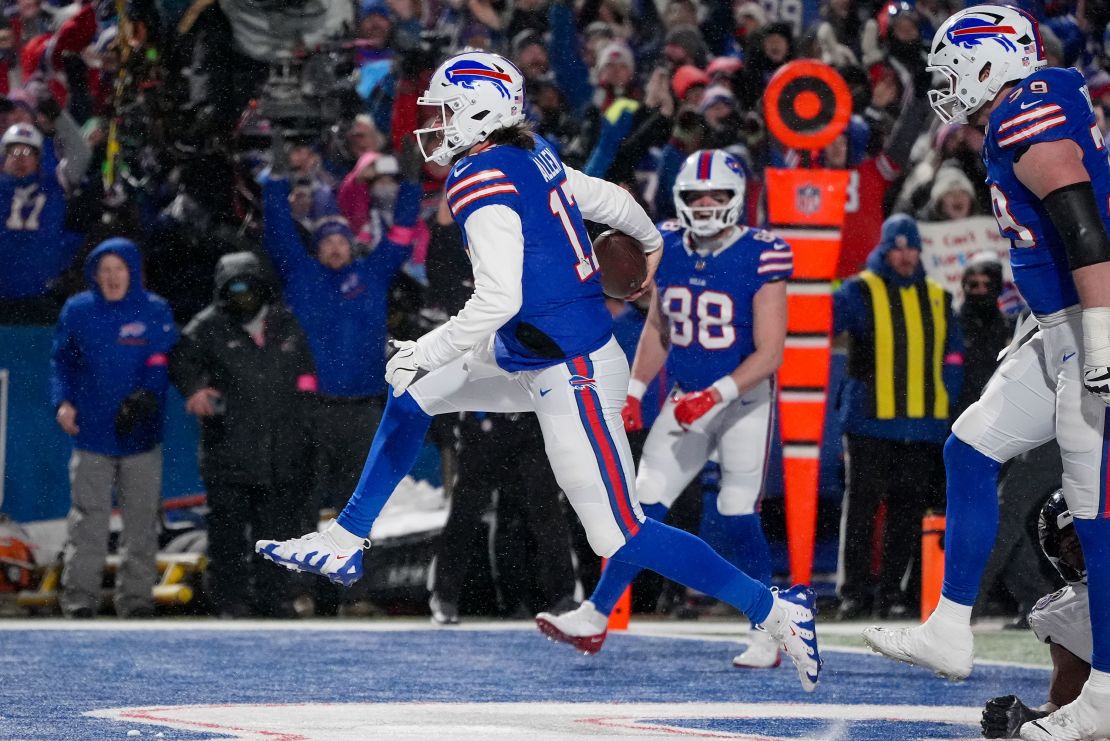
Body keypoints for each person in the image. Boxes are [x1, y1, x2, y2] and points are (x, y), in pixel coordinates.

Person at [255, 50, 821, 691]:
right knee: (413, 395)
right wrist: (654, 249)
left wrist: (430, 344)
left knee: (621, 533)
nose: (435, 125)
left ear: (479, 111)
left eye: (445, 111)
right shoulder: (529, 154)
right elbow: (609, 199)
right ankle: (347, 538)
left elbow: (499, 297)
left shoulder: (481, 177)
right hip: (530, 349)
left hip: (572, 367)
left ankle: (773, 607)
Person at [861, 8, 1110, 739]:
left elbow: (1083, 224)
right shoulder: (1024, 108)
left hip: (1090, 319)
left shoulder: (1026, 108)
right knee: (969, 445)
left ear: (993, 60)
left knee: (1095, 517)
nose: (943, 83)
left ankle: (1105, 692)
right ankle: (949, 626)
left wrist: (1100, 337)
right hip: (1057, 326)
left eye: (950, 66)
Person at [534, 149, 791, 669]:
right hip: (685, 395)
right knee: (641, 504)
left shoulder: (762, 252)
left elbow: (770, 352)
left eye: (716, 194)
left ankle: (771, 627)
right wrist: (633, 389)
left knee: (736, 509)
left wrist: (713, 396)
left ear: (738, 199)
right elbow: (659, 325)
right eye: (696, 195)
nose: (706, 203)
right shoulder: (667, 243)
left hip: (740, 399)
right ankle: (596, 615)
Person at [170, 252, 318, 618]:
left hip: (280, 453)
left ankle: (275, 599)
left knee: (277, 532)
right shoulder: (206, 327)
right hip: (227, 453)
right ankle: (230, 603)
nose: (242, 295)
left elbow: (305, 376)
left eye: (248, 286)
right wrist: (193, 390)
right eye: (233, 288)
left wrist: (303, 422)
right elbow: (180, 362)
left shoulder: (286, 324)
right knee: (227, 535)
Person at [833, 214, 962, 620]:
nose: (905, 255)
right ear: (885, 249)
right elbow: (822, 320)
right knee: (862, 510)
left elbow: (954, 356)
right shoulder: (858, 290)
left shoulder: (939, 297)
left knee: (907, 512)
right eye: (898, 247)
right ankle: (854, 593)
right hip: (869, 422)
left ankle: (889, 593)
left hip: (923, 424)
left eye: (911, 247)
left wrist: (945, 398)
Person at [50, 238, 178, 618]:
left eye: (119, 269)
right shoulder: (78, 311)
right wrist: (63, 402)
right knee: (88, 521)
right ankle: (79, 601)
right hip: (91, 435)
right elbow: (61, 363)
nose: (111, 277)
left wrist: (145, 398)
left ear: (132, 272)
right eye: (104, 270)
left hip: (141, 437)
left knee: (141, 522)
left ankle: (136, 601)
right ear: (94, 274)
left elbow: (160, 359)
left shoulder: (155, 309)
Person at [982, 490, 1091, 738]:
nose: (1089, 552)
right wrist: (1027, 720)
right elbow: (1062, 708)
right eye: (1074, 545)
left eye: (1091, 538)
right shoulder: (1064, 613)